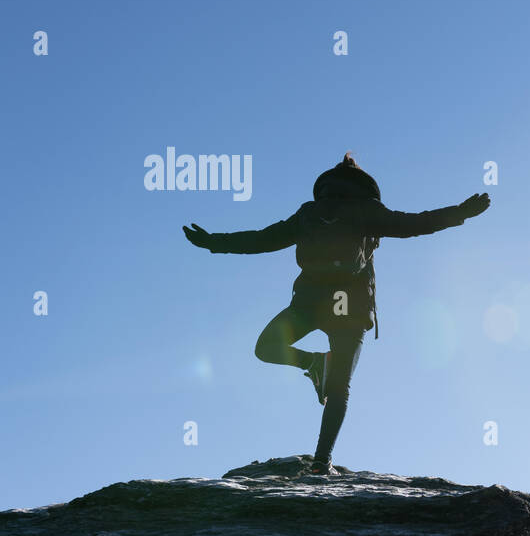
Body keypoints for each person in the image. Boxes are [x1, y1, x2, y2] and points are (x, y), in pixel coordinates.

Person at [183, 152, 491, 475]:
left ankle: (314, 363)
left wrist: (213, 242)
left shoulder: (309, 213)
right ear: (363, 185)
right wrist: (461, 213)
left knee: (266, 346)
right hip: (350, 305)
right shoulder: (366, 211)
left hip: (311, 302)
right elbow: (414, 224)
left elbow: (263, 239)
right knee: (339, 387)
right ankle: (321, 463)